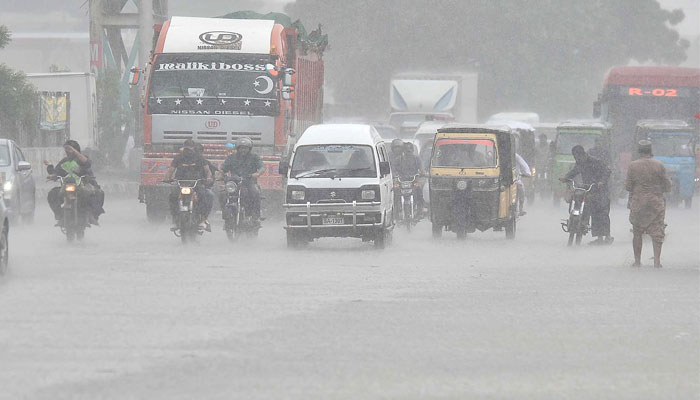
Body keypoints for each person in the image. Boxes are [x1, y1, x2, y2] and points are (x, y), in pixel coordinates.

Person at [626, 140, 671, 268]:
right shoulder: (659, 165)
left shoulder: (633, 166)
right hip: (656, 202)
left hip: (638, 202)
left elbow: (628, 186)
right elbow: (668, 185)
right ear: (651, 151)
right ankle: (657, 261)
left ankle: (637, 261)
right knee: (657, 232)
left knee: (637, 232)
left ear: (639, 151)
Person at [559, 145, 613, 245]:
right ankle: (579, 223)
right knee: (582, 203)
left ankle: (605, 237)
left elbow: (607, 171)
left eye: (578, 157)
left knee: (600, 212)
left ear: (583, 154)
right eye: (575, 157)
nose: (577, 159)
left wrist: (601, 181)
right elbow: (574, 172)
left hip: (599, 189)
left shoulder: (596, 161)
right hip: (587, 189)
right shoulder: (579, 163)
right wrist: (566, 178)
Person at [44, 140, 105, 225]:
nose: (67, 152)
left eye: (69, 149)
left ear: (75, 149)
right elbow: (55, 173)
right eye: (66, 149)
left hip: (82, 186)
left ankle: (92, 215)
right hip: (66, 186)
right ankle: (59, 215)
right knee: (52, 194)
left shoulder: (82, 159)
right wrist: (50, 167)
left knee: (98, 193)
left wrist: (75, 152)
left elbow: (87, 163)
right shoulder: (64, 162)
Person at [163, 139, 213, 230]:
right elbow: (171, 170)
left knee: (203, 196)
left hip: (196, 183)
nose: (187, 151)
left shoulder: (199, 158)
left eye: (189, 149)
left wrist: (208, 178)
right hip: (181, 183)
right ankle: (175, 219)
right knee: (173, 196)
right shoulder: (178, 158)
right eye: (186, 149)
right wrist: (166, 178)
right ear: (183, 149)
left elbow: (207, 170)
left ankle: (203, 219)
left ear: (193, 149)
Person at [220, 137, 265, 223]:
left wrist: (258, 173)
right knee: (222, 194)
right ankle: (225, 213)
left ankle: (255, 215)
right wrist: (220, 174)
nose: (243, 150)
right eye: (241, 148)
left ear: (249, 148)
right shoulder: (231, 157)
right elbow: (223, 169)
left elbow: (262, 167)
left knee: (255, 193)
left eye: (245, 148)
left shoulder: (254, 157)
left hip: (249, 181)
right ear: (238, 148)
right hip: (234, 183)